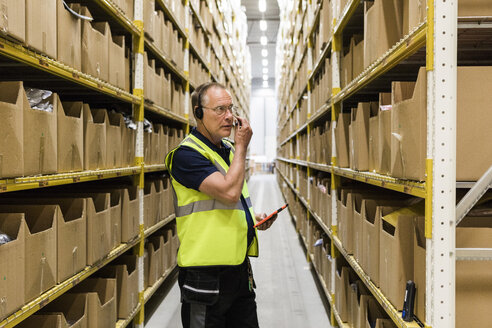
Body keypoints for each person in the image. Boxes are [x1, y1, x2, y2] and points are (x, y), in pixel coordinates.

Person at [165, 82, 277, 328]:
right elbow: (228, 191)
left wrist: (253, 217)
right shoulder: (186, 155)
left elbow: (230, 203)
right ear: (198, 113)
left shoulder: (226, 150)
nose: (229, 116)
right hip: (205, 276)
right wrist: (242, 148)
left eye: (230, 108)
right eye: (219, 109)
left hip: (238, 270)